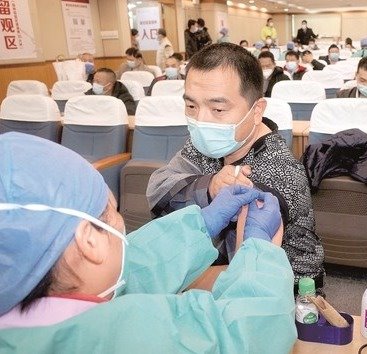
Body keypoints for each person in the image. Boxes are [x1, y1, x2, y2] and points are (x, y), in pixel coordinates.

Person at [0, 132, 297, 353]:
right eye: (112, 211)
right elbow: (246, 333)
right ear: (89, 240)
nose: (119, 222)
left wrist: (202, 224)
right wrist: (259, 250)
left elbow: (133, 269)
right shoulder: (127, 337)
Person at [146, 43, 325, 292]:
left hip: (280, 298)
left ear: (256, 111)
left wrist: (161, 274)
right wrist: (209, 187)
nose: (201, 120)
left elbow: (244, 276)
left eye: (218, 109)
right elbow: (158, 187)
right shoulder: (209, 143)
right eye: (191, 106)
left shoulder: (276, 172)